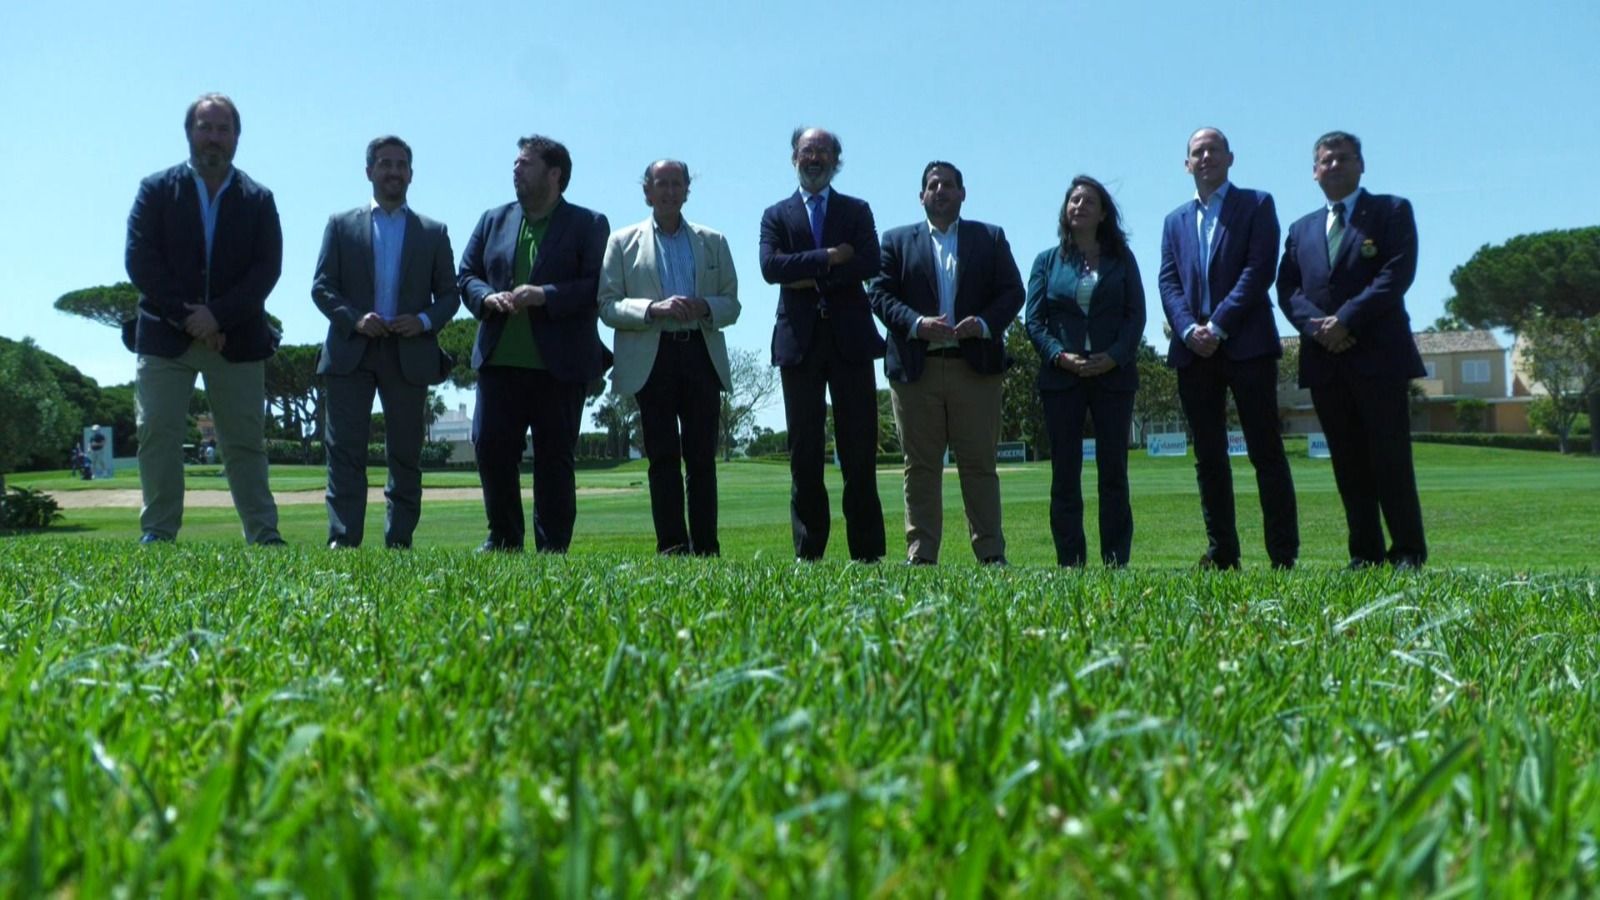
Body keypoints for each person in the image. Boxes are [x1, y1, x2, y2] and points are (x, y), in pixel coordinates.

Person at [124, 92, 284, 545]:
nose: (213, 137)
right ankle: (157, 534)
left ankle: (264, 535)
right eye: (205, 127)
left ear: (236, 136)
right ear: (189, 132)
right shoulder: (155, 189)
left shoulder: (258, 198)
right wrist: (189, 317)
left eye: (222, 129)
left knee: (245, 443)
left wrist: (218, 316)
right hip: (163, 336)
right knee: (157, 432)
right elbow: (140, 259)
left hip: (236, 340)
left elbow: (266, 270)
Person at [1278, 131, 1427, 570]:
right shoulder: (1301, 229)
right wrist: (1317, 328)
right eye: (1326, 160)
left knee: (1390, 459)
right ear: (1314, 172)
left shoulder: (1391, 211)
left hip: (1378, 357)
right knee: (1347, 464)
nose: (1335, 165)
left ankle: (1407, 552)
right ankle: (1364, 554)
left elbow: (1396, 273)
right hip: (1326, 362)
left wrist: (1346, 319)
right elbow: (1286, 289)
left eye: (1344, 158)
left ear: (1362, 165)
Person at [458, 135, 610, 553]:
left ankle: (552, 548)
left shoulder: (589, 224)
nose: (515, 169)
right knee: (490, 449)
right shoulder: (493, 219)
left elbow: (597, 285)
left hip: (559, 367)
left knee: (554, 460)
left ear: (554, 174)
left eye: (525, 163)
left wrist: (545, 295)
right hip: (499, 360)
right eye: (515, 163)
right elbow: (466, 273)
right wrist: (485, 297)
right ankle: (503, 538)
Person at [1158, 127, 1299, 570]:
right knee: (1209, 458)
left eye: (1213, 150)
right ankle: (1223, 553)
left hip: (1247, 346)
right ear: (1186, 164)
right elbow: (1168, 281)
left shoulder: (1256, 205)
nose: (1205, 158)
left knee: (1265, 452)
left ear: (1230, 158)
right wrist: (1187, 330)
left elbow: (1259, 270)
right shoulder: (1174, 221)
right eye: (1197, 152)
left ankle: (1282, 555)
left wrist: (1217, 326)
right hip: (1192, 353)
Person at [870, 161, 1024, 566]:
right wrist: (918, 324)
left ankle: (991, 553)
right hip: (916, 369)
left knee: (979, 465)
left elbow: (1013, 292)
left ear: (962, 193)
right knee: (920, 468)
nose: (940, 190)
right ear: (921, 195)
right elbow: (880, 295)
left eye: (949, 185)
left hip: (974, 368)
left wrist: (986, 323)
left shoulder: (989, 238)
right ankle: (921, 555)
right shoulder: (896, 241)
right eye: (933, 185)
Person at [312, 135, 460, 550]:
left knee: (406, 457)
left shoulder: (433, 232)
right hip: (350, 355)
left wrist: (425, 320)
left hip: (409, 356)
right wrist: (356, 319)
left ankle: (399, 543)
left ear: (411, 174)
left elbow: (450, 295)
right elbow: (322, 288)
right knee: (344, 454)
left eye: (400, 165)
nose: (393, 171)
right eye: (384, 164)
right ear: (369, 172)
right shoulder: (340, 225)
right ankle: (344, 542)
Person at [599, 160, 741, 556]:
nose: (669, 191)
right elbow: (607, 306)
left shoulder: (714, 241)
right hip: (652, 356)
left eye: (677, 183)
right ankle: (672, 548)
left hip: (700, 353)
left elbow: (733, 304)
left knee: (702, 461)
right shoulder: (622, 242)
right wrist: (653, 310)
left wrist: (704, 306)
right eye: (661, 184)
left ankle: (707, 549)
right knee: (662, 459)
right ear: (647, 192)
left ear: (687, 190)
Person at [759, 127, 886, 562]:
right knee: (804, 455)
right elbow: (770, 267)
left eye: (824, 152)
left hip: (850, 342)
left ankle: (867, 554)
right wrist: (831, 258)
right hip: (799, 345)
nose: (815, 158)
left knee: (859, 451)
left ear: (837, 160)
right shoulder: (776, 215)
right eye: (807, 151)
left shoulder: (856, 210)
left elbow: (870, 261)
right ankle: (809, 553)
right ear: (793, 157)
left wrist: (806, 275)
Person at [1024, 176, 1146, 567]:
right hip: (1062, 380)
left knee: (1114, 474)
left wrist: (1114, 356)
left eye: (1088, 201)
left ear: (1103, 212)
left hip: (1113, 377)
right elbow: (1035, 321)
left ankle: (1115, 561)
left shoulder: (1122, 259)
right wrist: (1060, 356)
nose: (1078, 206)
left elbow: (1135, 316)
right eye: (1073, 200)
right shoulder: (1046, 261)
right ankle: (1070, 562)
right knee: (1065, 476)